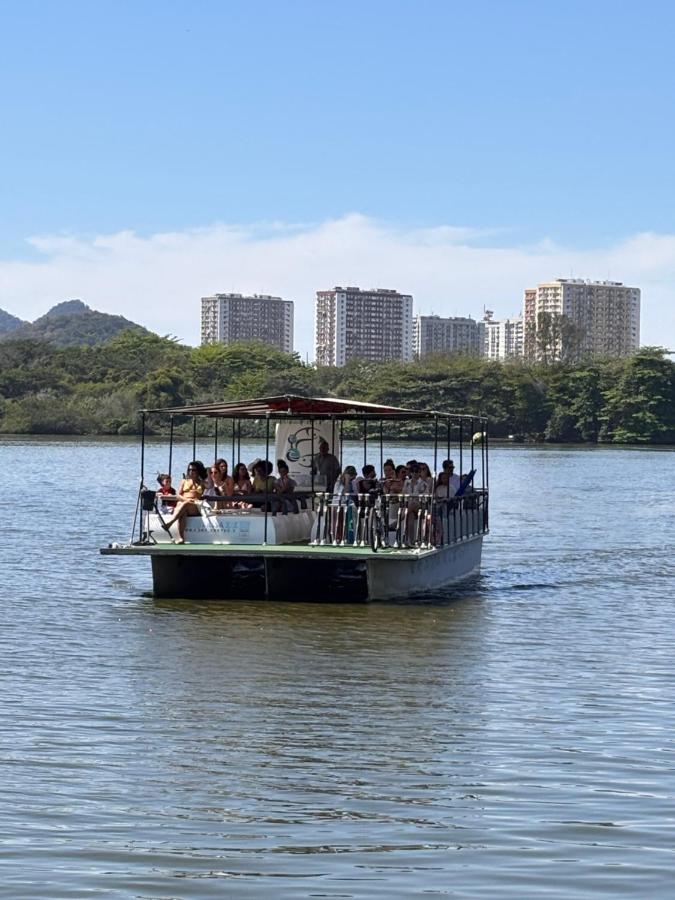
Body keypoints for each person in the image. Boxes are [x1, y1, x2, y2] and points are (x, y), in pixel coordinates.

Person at [161, 460, 208, 543]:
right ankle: (181, 538)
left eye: (193, 470)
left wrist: (208, 473)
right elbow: (178, 495)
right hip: (185, 503)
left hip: (195, 505)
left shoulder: (202, 483)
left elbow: (210, 485)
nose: (191, 472)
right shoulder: (184, 481)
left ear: (198, 471)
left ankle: (170, 523)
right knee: (182, 508)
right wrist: (186, 499)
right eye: (189, 470)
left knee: (184, 504)